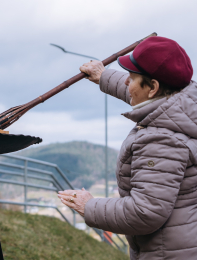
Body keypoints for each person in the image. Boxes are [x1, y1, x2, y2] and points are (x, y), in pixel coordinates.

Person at [57, 36, 197, 260]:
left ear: (152, 87)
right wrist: (103, 76)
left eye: (131, 78)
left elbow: (146, 212)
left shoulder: (160, 141)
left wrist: (90, 206)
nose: (126, 83)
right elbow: (150, 99)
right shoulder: (185, 106)